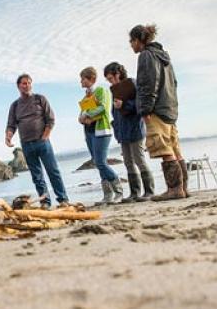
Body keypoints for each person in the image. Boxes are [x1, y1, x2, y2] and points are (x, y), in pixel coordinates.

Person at [129, 24, 188, 200]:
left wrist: (146, 108)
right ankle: (183, 188)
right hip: (170, 107)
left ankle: (175, 189)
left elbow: (148, 83)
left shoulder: (146, 55)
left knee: (163, 148)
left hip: (156, 109)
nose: (131, 45)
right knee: (175, 149)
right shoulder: (164, 57)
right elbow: (174, 83)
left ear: (139, 40)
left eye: (132, 41)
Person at [6, 73, 70, 208]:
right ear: (18, 86)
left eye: (29, 83)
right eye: (24, 83)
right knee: (37, 176)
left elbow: (50, 119)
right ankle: (45, 202)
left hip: (42, 142)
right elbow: (11, 124)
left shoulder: (40, 99)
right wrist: (8, 136)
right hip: (26, 145)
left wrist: (45, 136)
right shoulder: (15, 105)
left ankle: (63, 199)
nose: (27, 85)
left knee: (53, 171)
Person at [104, 62, 156, 202]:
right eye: (108, 80)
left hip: (135, 128)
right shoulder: (114, 90)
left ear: (118, 74)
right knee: (128, 161)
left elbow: (139, 104)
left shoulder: (131, 83)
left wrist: (124, 105)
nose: (110, 81)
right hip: (122, 131)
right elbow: (115, 112)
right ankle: (134, 193)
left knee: (139, 159)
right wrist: (116, 127)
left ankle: (149, 191)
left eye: (110, 78)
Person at [77, 66, 123, 205]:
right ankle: (107, 195)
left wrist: (87, 114)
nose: (81, 82)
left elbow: (103, 108)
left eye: (83, 79)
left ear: (91, 78)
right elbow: (84, 110)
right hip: (89, 132)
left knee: (101, 162)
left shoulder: (101, 90)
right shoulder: (86, 95)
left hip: (101, 130)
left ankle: (119, 191)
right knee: (97, 163)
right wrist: (81, 117)